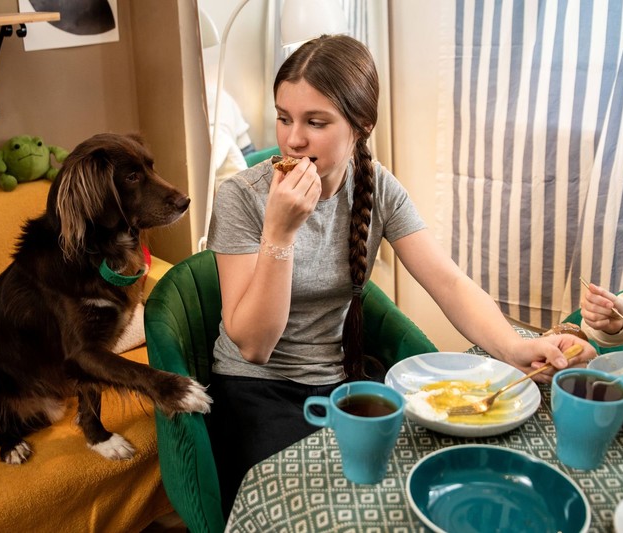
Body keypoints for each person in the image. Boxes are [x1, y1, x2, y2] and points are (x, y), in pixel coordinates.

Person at [205, 34, 595, 515]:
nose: (292, 139)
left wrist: (515, 347)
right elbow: (252, 345)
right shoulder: (240, 196)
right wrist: (279, 234)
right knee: (318, 506)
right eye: (284, 118)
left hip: (340, 381)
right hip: (254, 388)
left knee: (415, 487)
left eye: (315, 122)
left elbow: (448, 282)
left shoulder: (377, 186)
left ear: (361, 127)